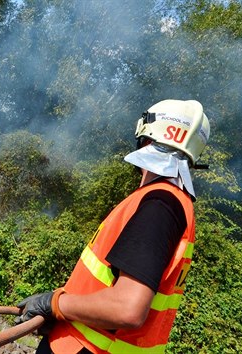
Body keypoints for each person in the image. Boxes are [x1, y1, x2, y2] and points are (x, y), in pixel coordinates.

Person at [17, 99, 211, 353]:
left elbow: (127, 309)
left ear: (146, 139)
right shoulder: (169, 203)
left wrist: (55, 304)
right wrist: (62, 309)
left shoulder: (160, 205)